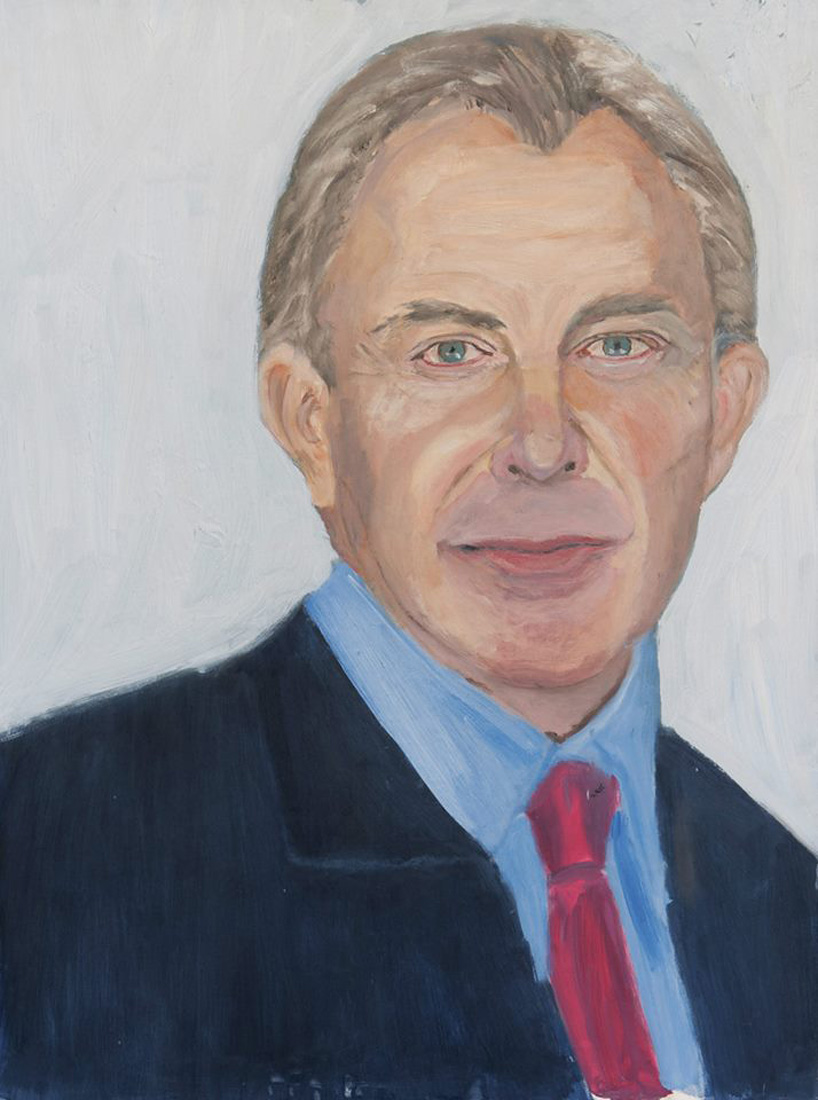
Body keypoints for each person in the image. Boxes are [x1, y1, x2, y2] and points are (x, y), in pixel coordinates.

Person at [1, 22, 815, 1100]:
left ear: (723, 413)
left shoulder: (790, 915)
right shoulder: (46, 862)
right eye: (449, 352)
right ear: (310, 422)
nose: (541, 441)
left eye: (619, 344)